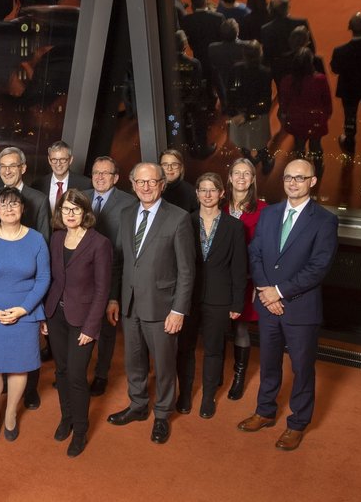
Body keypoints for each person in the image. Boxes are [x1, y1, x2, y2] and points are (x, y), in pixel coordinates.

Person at [238, 159, 338, 451]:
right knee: (268, 362)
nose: (293, 183)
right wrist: (266, 291)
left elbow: (319, 266)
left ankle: (297, 423)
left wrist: (278, 291)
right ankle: (265, 411)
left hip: (300, 308)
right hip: (270, 307)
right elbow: (254, 253)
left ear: (312, 182)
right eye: (288, 177)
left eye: (300, 178)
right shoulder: (269, 214)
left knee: (302, 368)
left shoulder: (324, 220)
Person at [107, 162, 195, 445]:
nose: (146, 187)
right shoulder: (126, 213)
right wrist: (114, 298)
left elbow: (186, 270)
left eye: (152, 182)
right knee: (134, 360)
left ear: (162, 184)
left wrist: (178, 310)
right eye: (140, 182)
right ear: (132, 185)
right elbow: (121, 260)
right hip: (130, 304)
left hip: (162, 307)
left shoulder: (179, 218)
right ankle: (138, 405)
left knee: (165, 364)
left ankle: (161, 414)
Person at [0, 187, 51, 441]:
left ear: (23, 208)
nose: (9, 209)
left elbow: (43, 278)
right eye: (3, 204)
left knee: (19, 369)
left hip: (24, 313)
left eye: (14, 204)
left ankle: (11, 413)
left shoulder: (36, 239)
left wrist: (25, 308)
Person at [0, 146, 50, 409]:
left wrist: (36, 308)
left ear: (23, 168)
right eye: (3, 166)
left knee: (26, 354)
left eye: (13, 166)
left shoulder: (38, 199)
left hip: (26, 286)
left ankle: (28, 392)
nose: (7, 171)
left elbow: (44, 247)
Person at [42, 190, 111, 457]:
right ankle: (66, 418)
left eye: (75, 209)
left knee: (76, 374)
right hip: (56, 316)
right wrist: (44, 316)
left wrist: (91, 328)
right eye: (65, 209)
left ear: (85, 213)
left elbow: (102, 290)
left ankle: (81, 430)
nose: (70, 214)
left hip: (82, 320)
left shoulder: (99, 243)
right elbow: (52, 280)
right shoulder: (57, 238)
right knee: (60, 372)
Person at [175, 173, 246, 419]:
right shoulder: (185, 221)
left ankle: (207, 397)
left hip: (219, 298)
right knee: (185, 348)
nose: (207, 195)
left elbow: (239, 267)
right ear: (196, 194)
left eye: (212, 190)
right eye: (202, 190)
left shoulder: (234, 226)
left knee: (214, 350)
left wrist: (237, 302)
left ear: (221, 194)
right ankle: (184, 394)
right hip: (188, 297)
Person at [82, 156, 137, 396]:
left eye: (106, 173)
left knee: (106, 329)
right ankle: (77, 373)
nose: (100, 177)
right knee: (79, 325)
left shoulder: (129, 203)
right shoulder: (80, 197)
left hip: (111, 273)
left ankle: (101, 375)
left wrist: (114, 296)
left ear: (116, 178)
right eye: (96, 172)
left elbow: (124, 253)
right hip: (81, 277)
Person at [223, 157, 267, 400]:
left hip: (247, 278)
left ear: (252, 180)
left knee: (240, 327)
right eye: (236, 173)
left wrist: (258, 282)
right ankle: (215, 374)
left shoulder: (263, 210)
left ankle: (239, 377)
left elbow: (265, 250)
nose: (241, 177)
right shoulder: (217, 205)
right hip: (219, 279)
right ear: (229, 178)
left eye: (246, 173)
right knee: (217, 327)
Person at [279, 48, 332, 178]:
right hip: (315, 120)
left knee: (299, 146)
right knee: (316, 145)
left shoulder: (287, 80)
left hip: (296, 120)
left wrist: (285, 116)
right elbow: (327, 101)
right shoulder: (320, 79)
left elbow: (284, 102)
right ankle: (318, 168)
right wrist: (326, 115)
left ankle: (301, 169)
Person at [226, 40, 273, 172]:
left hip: (238, 114)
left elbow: (229, 92)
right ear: (260, 54)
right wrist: (248, 115)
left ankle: (250, 160)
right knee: (261, 143)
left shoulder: (235, 68)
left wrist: (235, 113)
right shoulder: (265, 72)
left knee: (241, 141)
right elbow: (265, 100)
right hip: (256, 114)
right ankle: (265, 164)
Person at [330, 12, 361, 156]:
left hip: (349, 88)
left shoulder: (340, 51)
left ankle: (349, 140)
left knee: (350, 115)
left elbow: (335, 69)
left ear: (350, 28)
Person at [173, 31, 216, 159]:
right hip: (193, 101)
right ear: (184, 45)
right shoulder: (194, 63)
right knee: (199, 126)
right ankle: (203, 149)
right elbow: (197, 85)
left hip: (176, 101)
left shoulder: (165, 62)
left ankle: (190, 147)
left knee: (183, 125)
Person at [261, 0, 315, 85]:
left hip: (280, 70)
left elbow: (267, 55)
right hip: (302, 66)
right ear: (288, 7)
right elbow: (312, 48)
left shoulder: (266, 29)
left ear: (271, 10)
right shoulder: (301, 23)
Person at [31, 140, 92, 212]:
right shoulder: (37, 185)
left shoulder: (85, 185)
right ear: (49, 160)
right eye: (54, 159)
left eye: (63, 159)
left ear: (70, 160)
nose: (58, 164)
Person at [208, 19, 248, 113]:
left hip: (223, 80)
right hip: (242, 81)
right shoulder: (246, 46)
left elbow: (213, 64)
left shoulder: (212, 48)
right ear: (237, 32)